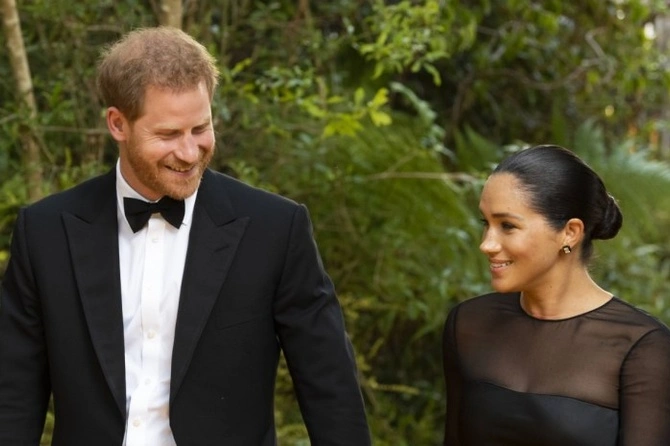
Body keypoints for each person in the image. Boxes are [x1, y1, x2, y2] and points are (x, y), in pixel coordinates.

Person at [0, 27, 371, 446]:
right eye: (169, 134)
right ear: (118, 123)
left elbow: (331, 389)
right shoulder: (44, 232)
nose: (190, 152)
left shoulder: (276, 229)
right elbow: (12, 396)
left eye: (200, 128)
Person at [443, 145, 670, 445]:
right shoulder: (469, 324)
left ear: (570, 232)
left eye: (507, 226)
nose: (487, 244)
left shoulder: (642, 347)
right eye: (486, 223)